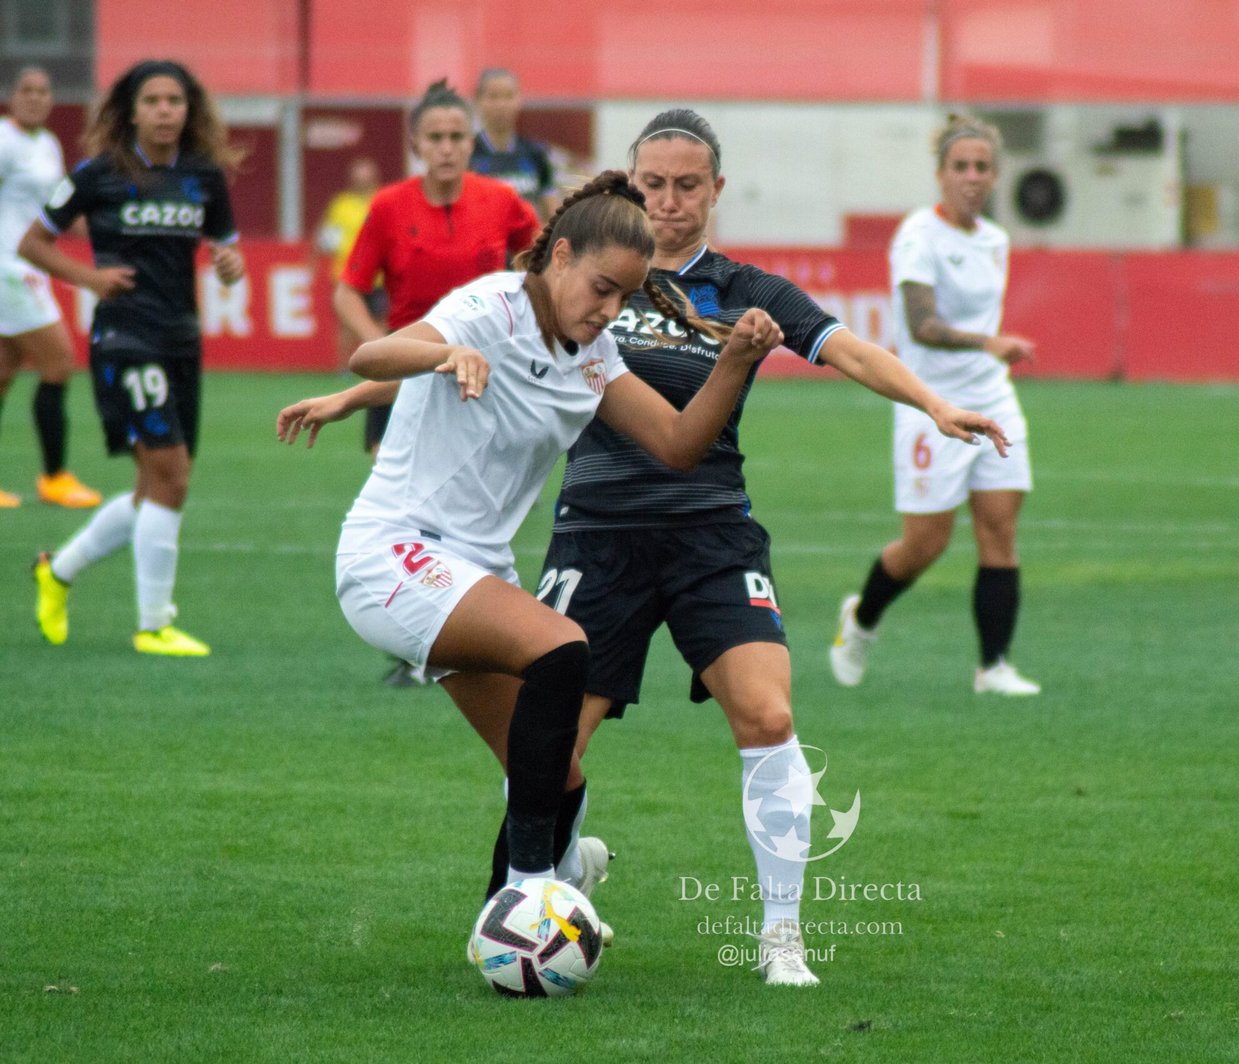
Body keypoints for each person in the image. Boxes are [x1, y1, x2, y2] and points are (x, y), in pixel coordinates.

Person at [489, 109, 1011, 987]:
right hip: (597, 534)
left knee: (769, 718)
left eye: (687, 185)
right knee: (548, 749)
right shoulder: (589, 281)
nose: (669, 201)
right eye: (653, 184)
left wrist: (932, 404)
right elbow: (489, 333)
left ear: (717, 190)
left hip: (714, 535)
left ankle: (781, 939)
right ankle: (551, 887)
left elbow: (849, 349)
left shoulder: (745, 291)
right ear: (629, 184)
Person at [274, 172, 783, 954]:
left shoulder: (595, 356)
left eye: (625, 297)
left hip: (471, 573)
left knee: (554, 773)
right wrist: (444, 357)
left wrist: (736, 361)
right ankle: (533, 888)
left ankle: (508, 928)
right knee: (562, 648)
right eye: (602, 288)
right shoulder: (492, 307)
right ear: (562, 255)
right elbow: (371, 353)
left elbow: (680, 444)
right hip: (394, 554)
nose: (609, 310)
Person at [22, 59, 245, 656]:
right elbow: (33, 243)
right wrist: (88, 279)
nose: (165, 111)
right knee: (173, 476)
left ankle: (57, 572)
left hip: (181, 341)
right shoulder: (99, 174)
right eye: (153, 101)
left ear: (189, 110)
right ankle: (154, 625)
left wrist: (230, 265)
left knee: (154, 487)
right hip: (125, 340)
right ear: (132, 110)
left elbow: (229, 255)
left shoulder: (203, 175)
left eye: (175, 101)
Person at [831, 114, 1041, 697]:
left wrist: (989, 354)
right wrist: (989, 342)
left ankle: (993, 667)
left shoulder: (995, 239)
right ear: (941, 173)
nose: (972, 176)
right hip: (929, 403)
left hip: (992, 395)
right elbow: (922, 325)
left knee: (999, 531)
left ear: (995, 175)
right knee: (926, 544)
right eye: (960, 166)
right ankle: (861, 620)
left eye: (982, 167)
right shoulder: (918, 236)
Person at [335, 80, 538, 684]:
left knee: (468, 505)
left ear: (471, 142)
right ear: (415, 143)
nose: (447, 148)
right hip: (405, 379)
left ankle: (458, 630)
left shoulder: (503, 201)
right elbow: (349, 290)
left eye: (456, 136)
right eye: (435, 137)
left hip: (481, 380)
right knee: (402, 505)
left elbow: (543, 268)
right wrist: (380, 346)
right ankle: (415, 636)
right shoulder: (388, 207)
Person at [0, 66, 101, 509]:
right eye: (27, 90)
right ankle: (55, 477)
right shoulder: (4, 141)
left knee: (3, 373)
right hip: (8, 268)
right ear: (12, 96)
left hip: (28, 268)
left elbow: (55, 210)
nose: (35, 97)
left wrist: (105, 229)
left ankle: (53, 477)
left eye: (43, 91)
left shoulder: (47, 143)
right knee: (59, 361)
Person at [313, 155, 383, 370]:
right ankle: (344, 366)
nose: (362, 182)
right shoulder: (341, 205)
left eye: (366, 177)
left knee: (379, 319)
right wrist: (316, 257)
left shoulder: (383, 201)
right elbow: (327, 236)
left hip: (378, 275)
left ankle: (378, 363)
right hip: (346, 274)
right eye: (358, 178)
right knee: (346, 322)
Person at [469, 68, 560, 220]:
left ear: (519, 100)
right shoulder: (466, 154)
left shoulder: (536, 153)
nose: (501, 105)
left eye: (508, 96)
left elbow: (552, 214)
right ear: (478, 100)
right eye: (493, 97)